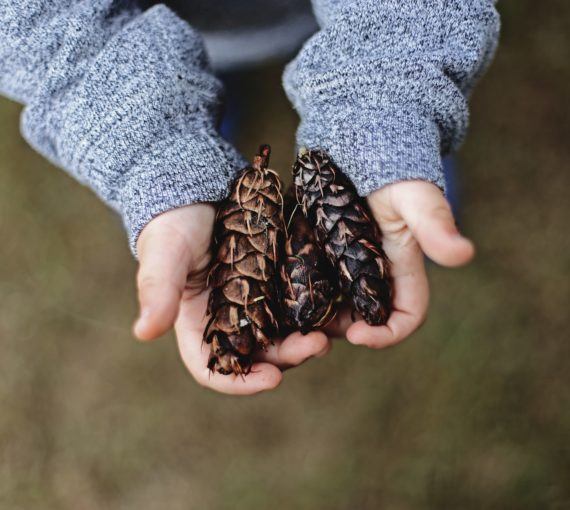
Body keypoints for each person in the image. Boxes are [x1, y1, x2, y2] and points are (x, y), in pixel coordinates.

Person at [0, 1, 500, 395]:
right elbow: (38, 27)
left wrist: (384, 110)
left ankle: (395, 163)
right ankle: (189, 88)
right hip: (180, 21)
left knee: (386, 143)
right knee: (201, 60)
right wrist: (155, 148)